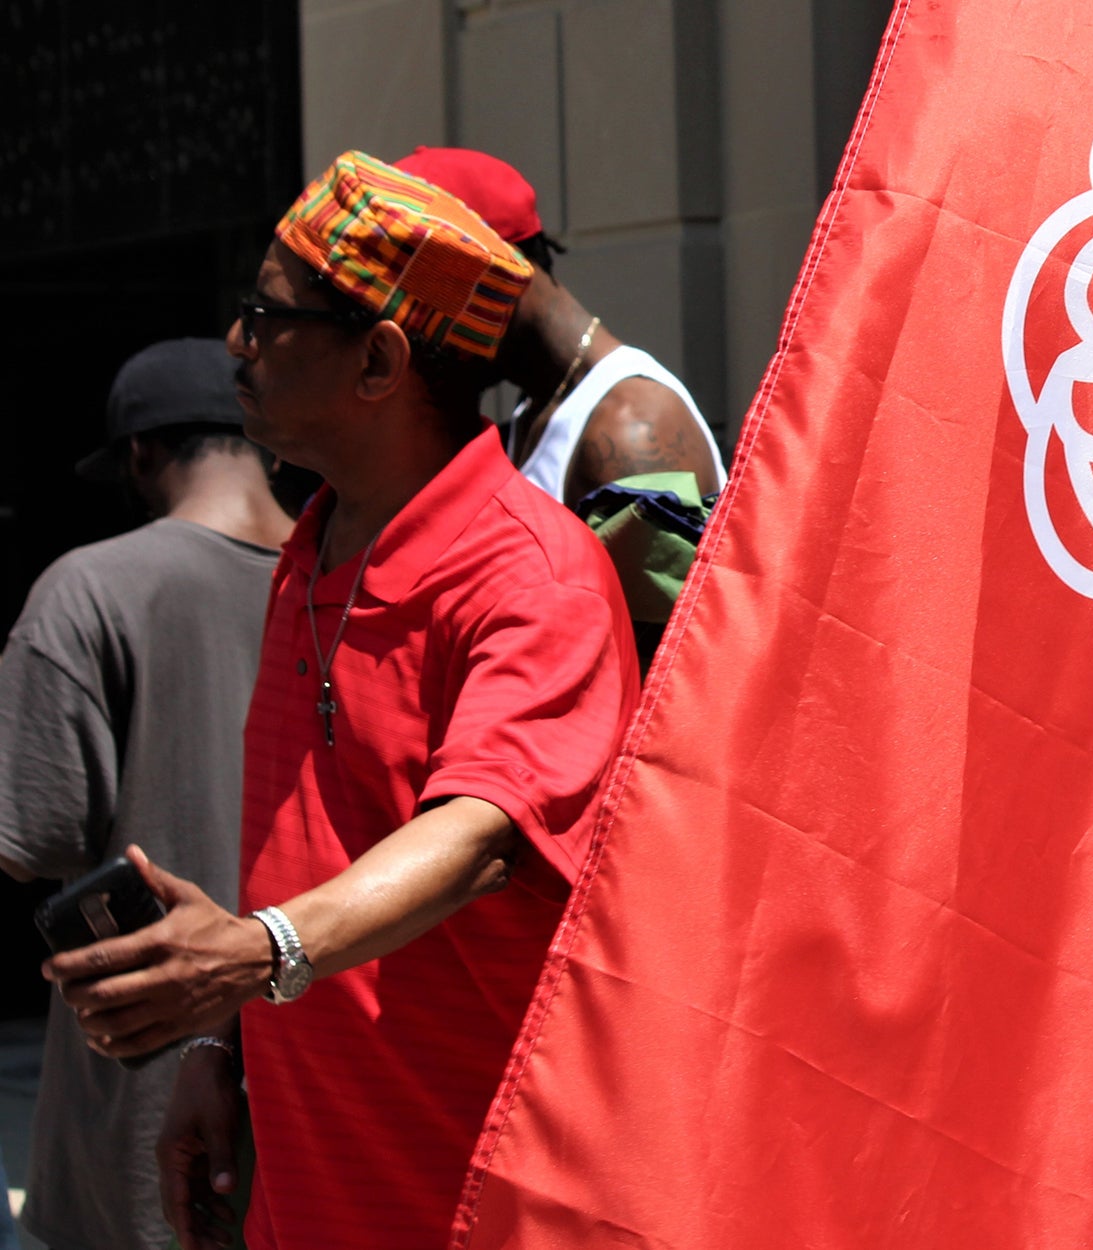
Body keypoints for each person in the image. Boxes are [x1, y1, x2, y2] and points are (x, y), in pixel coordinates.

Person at [40, 152, 640, 1250]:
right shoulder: (309, 548)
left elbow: (477, 834)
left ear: (379, 360)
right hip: (313, 1188)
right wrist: (219, 1047)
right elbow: (298, 840)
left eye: (268, 314)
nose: (237, 343)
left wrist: (256, 950)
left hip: (482, 1197)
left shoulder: (531, 574)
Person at [0, 339, 290, 1250]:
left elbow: (34, 836)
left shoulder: (88, 589)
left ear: (140, 454)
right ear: (267, 445)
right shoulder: (349, 579)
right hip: (319, 1065)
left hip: (145, 1084)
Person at [391, 145, 728, 508]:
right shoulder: (537, 409)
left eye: (425, 303)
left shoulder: (629, 431)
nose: (417, 334)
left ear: (496, 272)